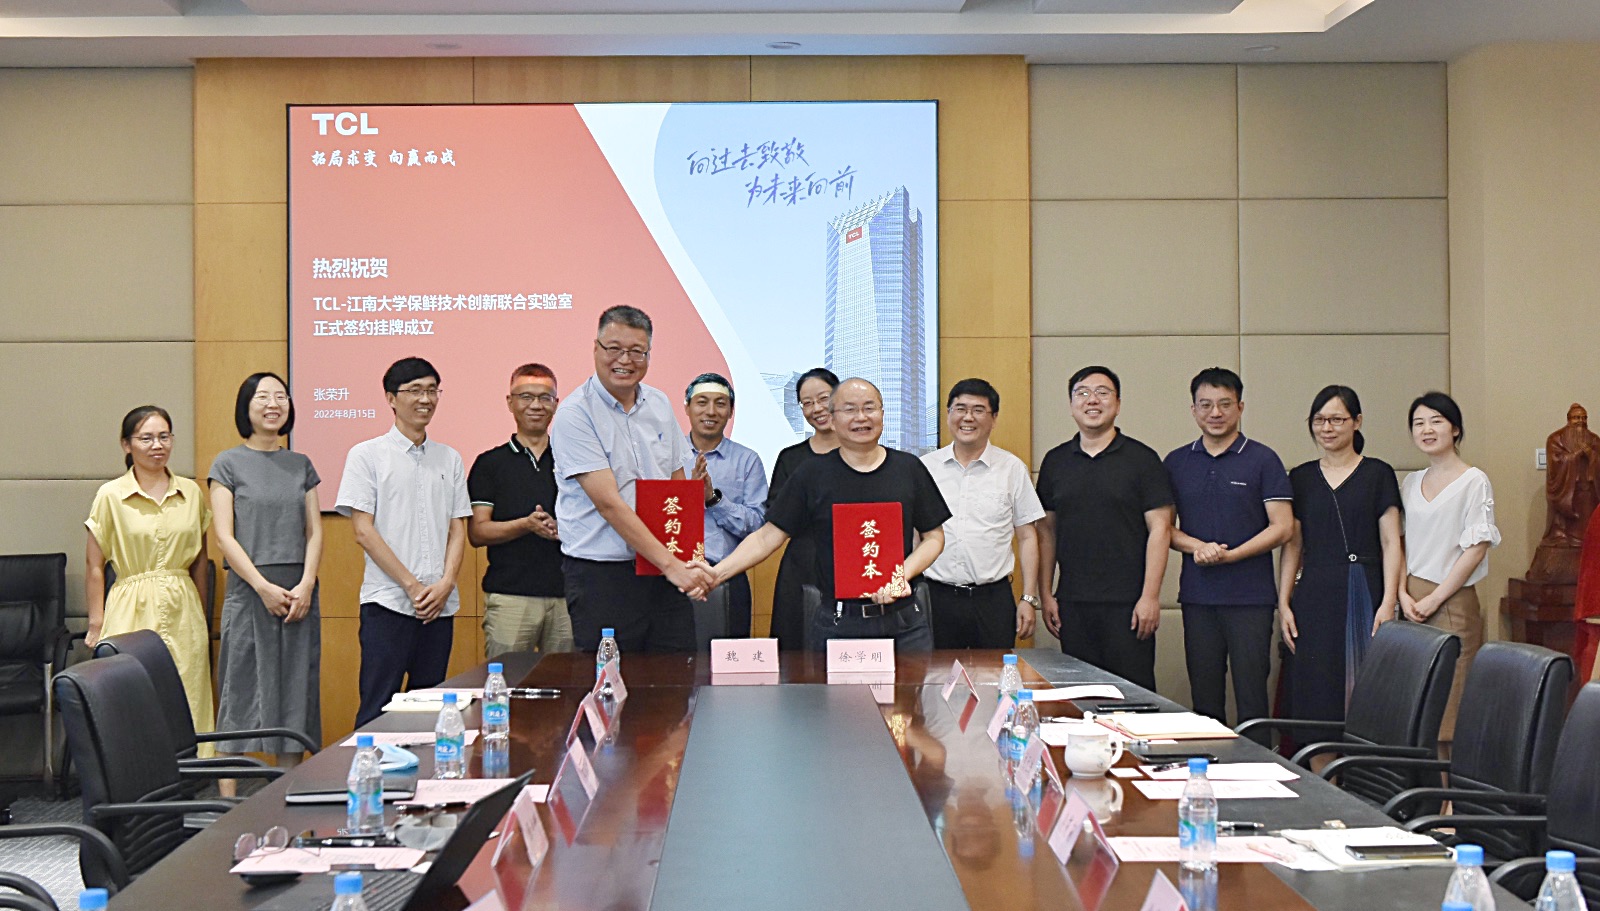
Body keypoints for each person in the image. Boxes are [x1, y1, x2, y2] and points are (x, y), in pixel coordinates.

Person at [703, 378, 950, 651]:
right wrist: (715, 575)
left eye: (869, 408)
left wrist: (903, 574)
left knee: (912, 682)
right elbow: (767, 537)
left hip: (904, 623)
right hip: (838, 622)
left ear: (882, 413)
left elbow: (934, 537)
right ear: (832, 418)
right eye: (849, 409)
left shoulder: (908, 468)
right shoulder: (812, 474)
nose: (861, 417)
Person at [549, 305, 708, 653]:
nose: (625, 360)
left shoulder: (659, 404)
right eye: (614, 348)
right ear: (596, 349)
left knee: (675, 674)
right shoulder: (575, 415)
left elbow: (675, 484)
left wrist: (686, 558)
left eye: (637, 351)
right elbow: (609, 504)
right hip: (603, 576)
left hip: (662, 570)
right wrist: (672, 565)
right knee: (611, 678)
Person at [336, 357, 471, 727]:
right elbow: (363, 530)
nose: (425, 399)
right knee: (378, 708)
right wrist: (412, 586)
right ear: (391, 398)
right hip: (388, 604)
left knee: (431, 712)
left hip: (439, 607)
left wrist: (445, 584)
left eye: (431, 390)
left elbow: (458, 529)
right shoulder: (366, 455)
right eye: (414, 391)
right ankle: (371, 768)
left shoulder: (450, 458)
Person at [1164, 368, 1292, 736]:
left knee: (1252, 696)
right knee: (1204, 698)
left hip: (1251, 598)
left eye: (1224, 404)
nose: (1215, 413)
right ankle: (1208, 766)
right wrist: (1199, 548)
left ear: (1240, 407)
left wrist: (1233, 555)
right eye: (1205, 405)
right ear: (1193, 410)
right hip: (1198, 597)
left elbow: (1282, 526)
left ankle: (1259, 767)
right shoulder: (1176, 462)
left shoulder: (1263, 459)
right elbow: (1163, 528)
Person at [208, 373, 323, 769]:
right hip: (250, 589)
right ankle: (227, 798)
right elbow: (224, 536)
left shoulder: (301, 464)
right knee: (239, 692)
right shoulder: (227, 463)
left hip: (298, 594)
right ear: (246, 406)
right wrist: (262, 587)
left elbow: (314, 531)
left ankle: (283, 793)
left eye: (281, 396)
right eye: (263, 397)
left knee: (294, 697)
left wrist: (307, 583)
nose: (274, 404)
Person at [1036, 366, 1173, 690]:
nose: (1092, 400)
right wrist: (1046, 593)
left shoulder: (1143, 459)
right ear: (1071, 405)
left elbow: (1161, 530)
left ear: (1118, 403)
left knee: (1133, 698)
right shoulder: (1055, 461)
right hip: (1073, 603)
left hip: (1129, 604)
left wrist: (1150, 597)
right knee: (1080, 696)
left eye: (1102, 392)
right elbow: (1046, 533)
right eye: (1082, 393)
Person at [84, 405, 214, 739]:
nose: (157, 445)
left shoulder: (191, 492)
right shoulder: (110, 495)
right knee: (132, 696)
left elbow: (200, 560)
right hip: (130, 603)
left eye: (164, 436)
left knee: (189, 694)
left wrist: (201, 612)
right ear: (126, 445)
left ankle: (195, 765)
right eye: (146, 438)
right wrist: (96, 622)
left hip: (183, 606)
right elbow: (95, 565)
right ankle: (133, 766)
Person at [1277, 386, 1403, 727]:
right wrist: (1284, 602)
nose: (1327, 428)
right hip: (1314, 592)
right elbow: (1293, 546)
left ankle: (1361, 763)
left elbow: (1391, 542)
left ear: (1357, 422)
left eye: (1336, 419)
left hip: (1364, 587)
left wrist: (1388, 602)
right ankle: (1320, 761)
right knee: (1315, 691)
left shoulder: (1378, 473)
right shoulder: (1300, 477)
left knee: (1365, 688)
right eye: (1319, 420)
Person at [1400, 391, 1499, 747]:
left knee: (1451, 708)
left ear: (1455, 429)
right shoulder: (1411, 482)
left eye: (1436, 421)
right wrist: (1401, 593)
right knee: (1417, 703)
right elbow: (1400, 541)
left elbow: (1476, 548)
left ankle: (1449, 785)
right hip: (1411, 600)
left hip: (1452, 600)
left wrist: (1436, 598)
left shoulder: (1474, 480)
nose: (1426, 430)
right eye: (1418, 423)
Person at [920, 378, 1044, 649]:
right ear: (948, 413)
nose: (968, 417)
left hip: (992, 600)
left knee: (994, 671)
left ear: (994, 418)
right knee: (935, 673)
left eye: (978, 410)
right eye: (960, 409)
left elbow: (1027, 537)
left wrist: (1028, 598)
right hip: (936, 597)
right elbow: (914, 536)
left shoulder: (1012, 468)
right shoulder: (925, 468)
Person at [467, 364, 572, 657]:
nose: (535, 405)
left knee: (566, 683)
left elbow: (598, 520)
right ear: (510, 402)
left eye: (544, 397)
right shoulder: (489, 464)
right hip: (510, 597)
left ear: (556, 404)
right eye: (526, 396)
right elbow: (477, 532)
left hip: (568, 597)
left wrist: (563, 529)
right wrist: (526, 525)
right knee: (506, 681)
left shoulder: (573, 461)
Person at [683, 372, 767, 638]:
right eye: (702, 402)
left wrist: (713, 499)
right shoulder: (666, 455)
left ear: (731, 411)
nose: (711, 411)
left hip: (729, 577)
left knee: (730, 657)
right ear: (687, 408)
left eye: (720, 404)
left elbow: (757, 526)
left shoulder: (747, 460)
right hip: (674, 576)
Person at [767, 367, 840, 649]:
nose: (816, 409)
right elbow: (776, 515)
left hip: (853, 564)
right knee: (795, 652)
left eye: (823, 399)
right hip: (802, 566)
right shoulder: (790, 458)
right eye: (807, 403)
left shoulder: (862, 455)